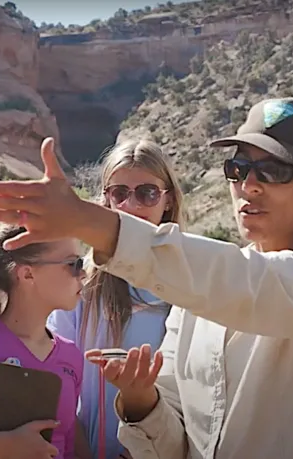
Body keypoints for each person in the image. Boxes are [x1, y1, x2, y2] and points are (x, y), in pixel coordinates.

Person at [0, 96, 293, 458]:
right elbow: (175, 441)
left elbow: (255, 285)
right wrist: (139, 400)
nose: (248, 185)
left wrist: (86, 220)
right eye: (239, 169)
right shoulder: (193, 303)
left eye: (274, 171)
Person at [47, 139, 185, 459]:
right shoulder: (80, 284)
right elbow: (59, 378)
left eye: (147, 193)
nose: (131, 205)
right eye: (119, 193)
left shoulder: (188, 284)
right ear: (106, 199)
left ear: (167, 200)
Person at [0, 223, 85, 458]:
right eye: (73, 264)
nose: (83, 273)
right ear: (27, 274)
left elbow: (70, 439)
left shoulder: (72, 355)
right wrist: (2, 447)